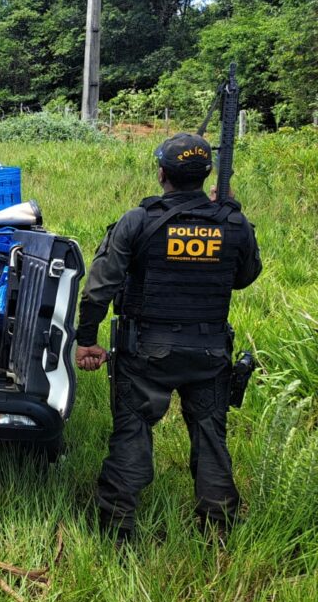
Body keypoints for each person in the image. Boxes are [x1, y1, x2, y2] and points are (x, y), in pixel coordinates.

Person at [74, 132, 261, 542]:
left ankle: (117, 529)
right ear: (207, 176)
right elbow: (245, 277)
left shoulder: (138, 221)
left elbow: (99, 287)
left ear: (162, 174)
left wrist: (86, 339)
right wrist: (231, 210)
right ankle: (219, 530)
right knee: (211, 435)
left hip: (146, 352)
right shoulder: (233, 221)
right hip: (209, 350)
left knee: (132, 431)